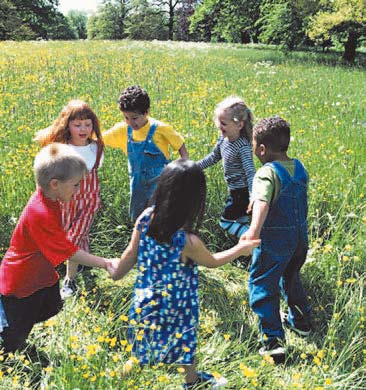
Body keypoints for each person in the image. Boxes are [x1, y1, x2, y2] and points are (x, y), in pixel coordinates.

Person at [109, 159, 260, 389]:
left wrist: (117, 273)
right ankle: (191, 381)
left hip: (146, 301)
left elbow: (131, 253)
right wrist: (241, 249)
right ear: (193, 201)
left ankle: (113, 382)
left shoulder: (145, 218)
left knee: (140, 354)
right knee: (185, 345)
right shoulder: (187, 241)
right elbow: (213, 262)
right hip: (177, 307)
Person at [0, 143, 113, 354]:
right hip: (22, 279)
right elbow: (69, 251)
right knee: (15, 332)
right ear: (54, 184)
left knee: (52, 306)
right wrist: (105, 263)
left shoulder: (50, 196)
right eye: (76, 185)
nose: (79, 190)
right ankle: (7, 350)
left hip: (40, 273)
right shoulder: (41, 212)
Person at [241, 116, 311, 363]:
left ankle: (273, 343)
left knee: (262, 283)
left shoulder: (266, 172)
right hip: (300, 238)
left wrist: (253, 232)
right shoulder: (299, 167)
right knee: (291, 277)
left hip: (275, 240)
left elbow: (262, 203)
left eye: (253, 146)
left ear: (261, 149)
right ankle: (301, 323)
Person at [34, 100, 104, 298]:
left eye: (87, 124)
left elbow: (94, 176)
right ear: (68, 125)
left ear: (93, 125)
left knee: (72, 239)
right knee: (71, 234)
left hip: (89, 203)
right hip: (66, 201)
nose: (83, 129)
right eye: (77, 124)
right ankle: (83, 261)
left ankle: (69, 280)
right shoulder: (60, 149)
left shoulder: (97, 148)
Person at [102, 85, 188, 222]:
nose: (130, 122)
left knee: (160, 215)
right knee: (139, 218)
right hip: (137, 185)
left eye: (134, 118)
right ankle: (140, 240)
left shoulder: (160, 129)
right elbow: (100, 139)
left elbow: (179, 143)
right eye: (126, 117)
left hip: (160, 182)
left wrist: (184, 164)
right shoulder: (122, 131)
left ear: (146, 112)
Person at [197, 96, 256, 238]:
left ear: (239, 125)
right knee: (240, 221)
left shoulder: (242, 146)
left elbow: (250, 173)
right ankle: (245, 251)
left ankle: (253, 240)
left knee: (226, 222)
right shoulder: (223, 139)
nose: (219, 126)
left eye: (223, 123)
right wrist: (194, 167)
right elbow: (213, 157)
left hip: (242, 194)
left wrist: (253, 196)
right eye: (218, 122)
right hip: (234, 191)